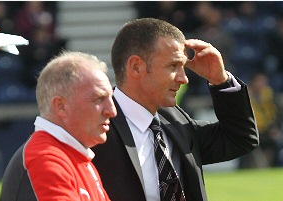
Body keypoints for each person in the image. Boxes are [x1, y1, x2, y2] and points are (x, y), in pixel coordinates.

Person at [91, 18, 259, 201]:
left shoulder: (175, 119)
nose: (184, 78)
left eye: (183, 67)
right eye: (173, 66)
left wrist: (221, 81)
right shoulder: (94, 126)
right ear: (136, 66)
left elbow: (240, 138)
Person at [0, 51, 117, 200]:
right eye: (99, 99)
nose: (112, 111)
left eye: (110, 98)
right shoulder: (45, 160)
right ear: (61, 106)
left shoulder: (74, 156)